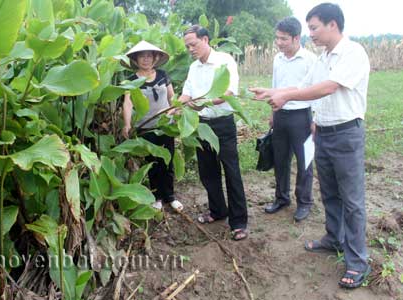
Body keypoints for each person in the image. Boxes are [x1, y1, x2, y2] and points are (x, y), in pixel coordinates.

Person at [250, 3, 371, 289]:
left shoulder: (353, 53)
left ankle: (357, 261)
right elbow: (302, 85)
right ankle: (333, 238)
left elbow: (327, 87)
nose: (311, 34)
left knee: (352, 200)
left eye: (314, 28)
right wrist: (273, 92)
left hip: (346, 134)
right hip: (324, 133)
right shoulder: (323, 57)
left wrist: (285, 98)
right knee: (329, 192)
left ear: (333, 25)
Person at [179, 25, 248, 241]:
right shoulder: (193, 68)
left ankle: (239, 222)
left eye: (193, 44)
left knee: (231, 171)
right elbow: (187, 93)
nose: (190, 49)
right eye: (187, 46)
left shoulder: (224, 61)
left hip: (222, 124)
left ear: (205, 39)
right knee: (208, 171)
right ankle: (218, 211)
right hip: (201, 124)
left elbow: (228, 92)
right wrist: (175, 106)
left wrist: (203, 102)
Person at [265, 17, 316, 222]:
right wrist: (272, 112)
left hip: (301, 116)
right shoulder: (278, 59)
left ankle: (304, 202)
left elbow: (316, 90)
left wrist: (315, 119)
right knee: (280, 159)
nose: (279, 42)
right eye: (277, 38)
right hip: (281, 115)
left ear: (296, 38)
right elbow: (275, 85)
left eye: (283, 39)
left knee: (304, 161)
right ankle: (282, 198)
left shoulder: (310, 60)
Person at [122, 40, 183, 211]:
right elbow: (128, 103)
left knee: (167, 160)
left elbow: (172, 97)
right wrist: (126, 124)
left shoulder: (163, 75)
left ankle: (170, 196)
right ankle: (156, 197)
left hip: (165, 126)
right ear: (135, 60)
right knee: (152, 163)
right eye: (142, 56)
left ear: (155, 58)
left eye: (149, 56)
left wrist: (177, 111)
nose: (146, 59)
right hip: (145, 127)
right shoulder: (131, 80)